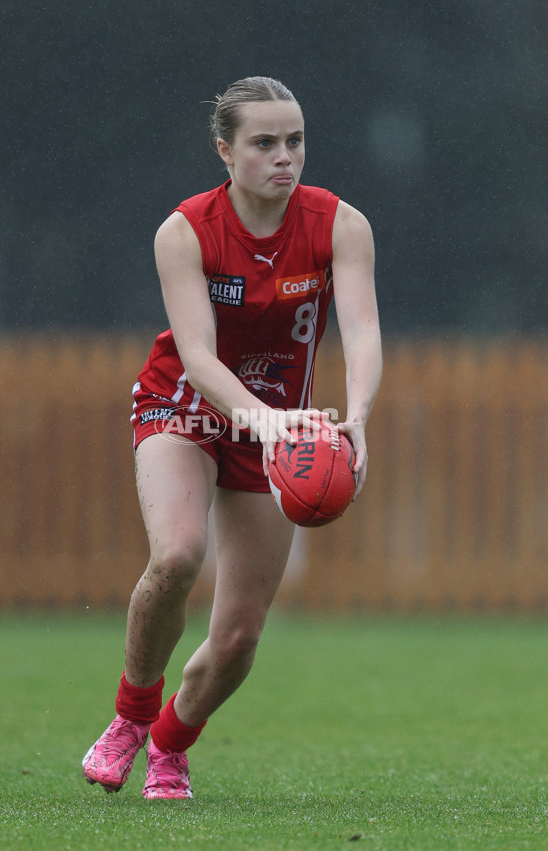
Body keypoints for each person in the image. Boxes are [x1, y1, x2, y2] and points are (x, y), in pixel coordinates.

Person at [82, 76, 382, 800]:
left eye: (296, 140)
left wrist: (358, 417)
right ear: (225, 149)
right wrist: (268, 418)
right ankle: (131, 714)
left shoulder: (341, 224)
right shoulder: (185, 230)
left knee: (241, 634)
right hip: (185, 405)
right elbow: (199, 358)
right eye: (265, 143)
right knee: (178, 554)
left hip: (278, 426)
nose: (286, 156)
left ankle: (172, 745)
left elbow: (364, 330)